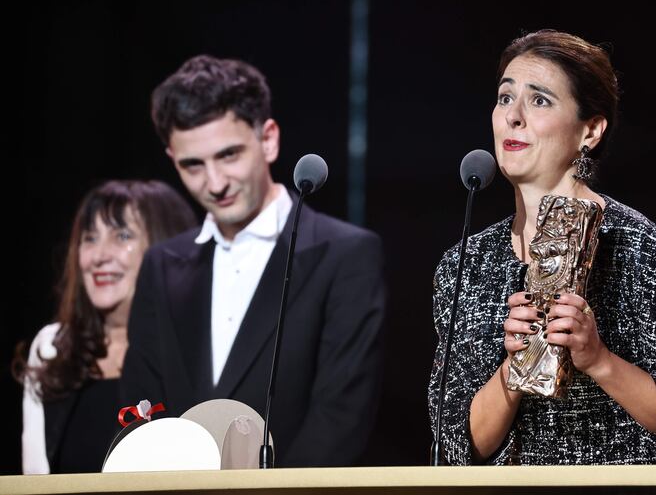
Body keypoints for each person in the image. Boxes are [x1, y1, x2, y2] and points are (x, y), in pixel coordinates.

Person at [428, 30, 656, 465]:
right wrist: (513, 370)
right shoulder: (467, 263)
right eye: (504, 97)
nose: (513, 117)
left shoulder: (640, 248)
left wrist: (598, 359)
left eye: (539, 101)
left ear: (590, 130)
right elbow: (456, 446)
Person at [120, 55, 386, 467]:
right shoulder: (161, 265)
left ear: (269, 139)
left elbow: (340, 418)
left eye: (229, 155)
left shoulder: (346, 254)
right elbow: (143, 415)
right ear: (172, 157)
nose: (215, 182)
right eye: (193, 164)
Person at [15, 180, 197, 474]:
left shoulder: (194, 348)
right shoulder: (52, 348)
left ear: (165, 246)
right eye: (90, 238)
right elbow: (35, 476)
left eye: (122, 236)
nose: (99, 256)